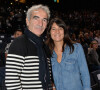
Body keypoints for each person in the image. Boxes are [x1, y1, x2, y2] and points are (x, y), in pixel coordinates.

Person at [5, 4, 52, 90]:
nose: (40, 23)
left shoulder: (44, 47)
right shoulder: (19, 43)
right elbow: (11, 80)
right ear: (27, 21)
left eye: (44, 20)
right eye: (36, 18)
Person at [46, 18, 91, 90]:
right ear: (49, 32)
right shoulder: (47, 52)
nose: (57, 31)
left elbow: (85, 74)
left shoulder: (76, 48)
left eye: (60, 28)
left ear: (64, 31)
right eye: (53, 29)